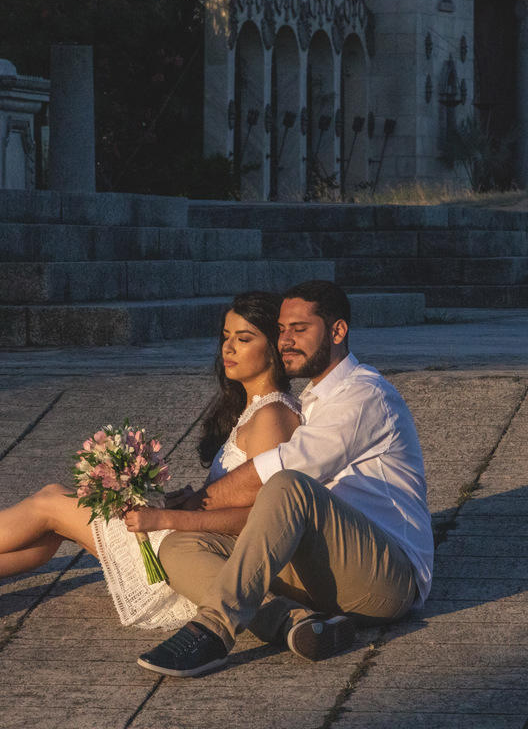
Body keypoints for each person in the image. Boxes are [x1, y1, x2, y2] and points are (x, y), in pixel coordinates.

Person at [0, 291, 301, 626]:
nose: (227, 348)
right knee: (58, 504)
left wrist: (171, 517)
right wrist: (178, 500)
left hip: (197, 565)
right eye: (225, 336)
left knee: (50, 505)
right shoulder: (255, 410)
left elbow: (264, 518)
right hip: (190, 540)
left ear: (274, 348)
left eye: (243, 338)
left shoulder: (273, 416)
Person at [135, 280, 433, 678]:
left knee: (288, 483)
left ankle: (214, 630)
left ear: (337, 331)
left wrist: (196, 503)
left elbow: (282, 470)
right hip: (324, 568)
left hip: (386, 578)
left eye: (300, 329)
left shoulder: (364, 396)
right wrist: (182, 515)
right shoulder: (312, 400)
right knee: (177, 548)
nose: (286, 341)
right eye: (281, 330)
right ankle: (298, 624)